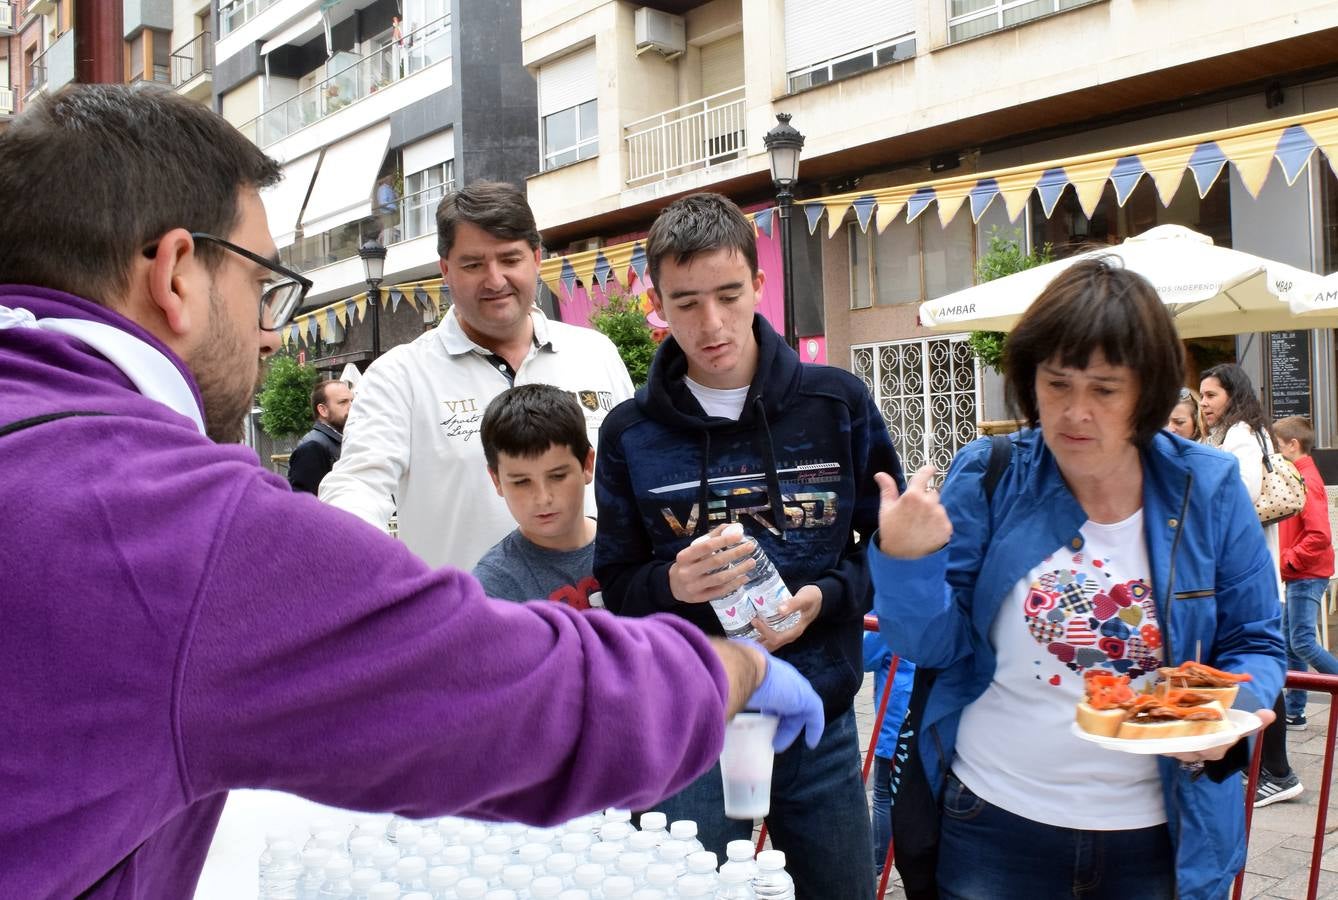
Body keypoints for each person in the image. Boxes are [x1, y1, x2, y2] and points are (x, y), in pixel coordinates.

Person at [0, 84, 826, 898]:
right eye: (261, 285)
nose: (269, 331)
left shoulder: (594, 359)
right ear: (178, 273)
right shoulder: (175, 517)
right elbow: (472, 659)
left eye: (511, 260)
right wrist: (725, 673)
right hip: (467, 688)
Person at [871, 259, 1283, 900]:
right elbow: (930, 646)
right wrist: (904, 563)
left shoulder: (1208, 486)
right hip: (995, 823)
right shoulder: (992, 474)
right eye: (1056, 384)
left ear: (1145, 393)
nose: (1074, 412)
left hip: (1159, 838)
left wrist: (1219, 718)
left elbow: (1258, 639)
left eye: (1104, 389)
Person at [594, 192, 903, 900]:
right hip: (689, 720)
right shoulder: (630, 434)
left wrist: (824, 599)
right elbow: (616, 582)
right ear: (657, 305)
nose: (711, 324)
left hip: (817, 717)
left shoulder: (837, 403)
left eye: (729, 295)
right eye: (686, 302)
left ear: (759, 285)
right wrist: (671, 585)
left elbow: (886, 545)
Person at [320, 180, 634, 571]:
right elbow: (358, 485)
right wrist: (343, 552)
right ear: (446, 270)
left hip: (600, 620)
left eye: (510, 259)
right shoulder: (399, 376)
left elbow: (635, 475)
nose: (495, 280)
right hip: (470, 625)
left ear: (537, 259)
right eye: (473, 264)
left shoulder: (595, 352)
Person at [1200, 362, 1300, 807]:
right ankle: (1258, 767)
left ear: (1232, 396)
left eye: (1211, 395)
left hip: (1246, 576)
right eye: (1201, 396)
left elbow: (1233, 501)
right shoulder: (1242, 434)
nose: (1204, 404)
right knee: (1251, 671)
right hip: (1250, 572)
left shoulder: (1240, 436)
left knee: (1259, 671)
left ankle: (1276, 770)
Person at [473, 383, 602, 609]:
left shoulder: (633, 546)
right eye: (522, 482)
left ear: (587, 465)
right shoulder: (491, 589)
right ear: (496, 480)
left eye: (558, 476)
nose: (543, 498)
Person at [1272, 415, 1337, 731]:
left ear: (1293, 445)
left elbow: (1319, 535)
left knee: (1301, 642)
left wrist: (1288, 560)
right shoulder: (1301, 475)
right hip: (1301, 571)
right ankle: (1296, 711)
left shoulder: (1305, 480)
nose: (1273, 454)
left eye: (1277, 446)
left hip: (1305, 572)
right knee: (1290, 641)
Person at [862, 632, 914, 879]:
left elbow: (864, 656)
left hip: (895, 720)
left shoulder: (892, 613)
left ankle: (876, 868)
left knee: (883, 793)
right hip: (923, 718)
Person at [287, 378, 354, 494]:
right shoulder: (311, 448)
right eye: (343, 402)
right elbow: (306, 504)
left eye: (352, 401)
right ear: (323, 410)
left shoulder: (344, 440)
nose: (351, 407)